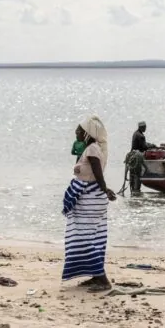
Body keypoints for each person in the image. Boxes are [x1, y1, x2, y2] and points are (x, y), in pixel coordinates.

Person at [64, 115, 117, 291]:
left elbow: (98, 174)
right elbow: (87, 171)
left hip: (92, 199)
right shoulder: (90, 149)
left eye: (80, 130)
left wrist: (105, 189)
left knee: (85, 238)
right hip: (90, 199)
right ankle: (96, 276)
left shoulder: (93, 149)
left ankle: (103, 280)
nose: (76, 132)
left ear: (88, 133)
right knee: (94, 238)